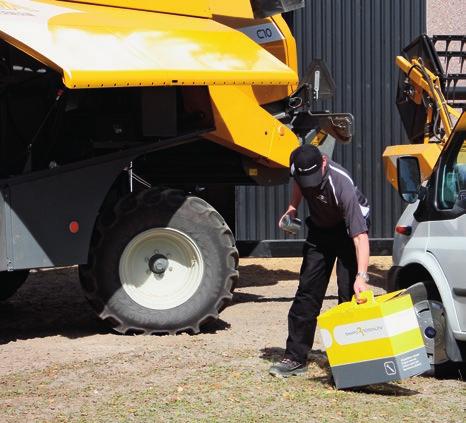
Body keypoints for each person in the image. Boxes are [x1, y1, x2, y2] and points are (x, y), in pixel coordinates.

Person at [269, 144, 371, 377]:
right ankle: (295, 358)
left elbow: (360, 238)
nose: (310, 185)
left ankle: (350, 362)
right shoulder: (300, 173)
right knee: (307, 292)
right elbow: (298, 183)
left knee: (349, 296)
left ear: (324, 162)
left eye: (313, 179)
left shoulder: (341, 184)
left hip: (348, 232)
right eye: (306, 180)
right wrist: (293, 207)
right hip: (321, 231)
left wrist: (361, 277)